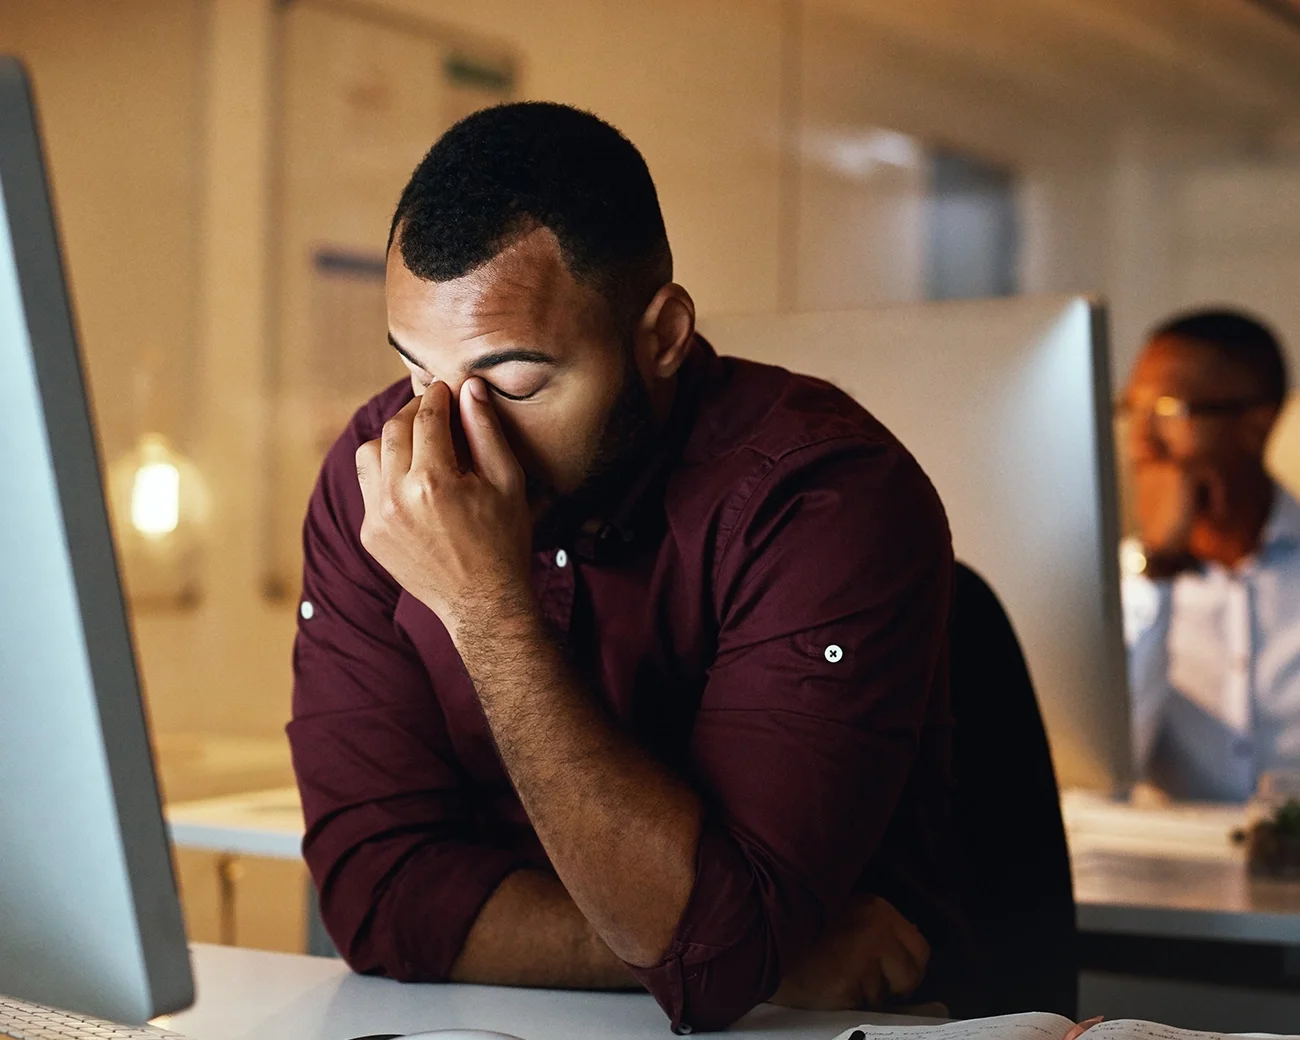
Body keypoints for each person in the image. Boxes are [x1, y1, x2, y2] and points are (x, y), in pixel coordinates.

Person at [288, 102, 972, 1032]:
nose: (446, 436)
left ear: (661, 336)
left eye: (516, 382)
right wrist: (755, 953)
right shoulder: (375, 474)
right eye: (417, 374)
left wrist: (483, 604)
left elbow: (713, 959)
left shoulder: (825, 499)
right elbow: (377, 894)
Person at [1120, 308, 1300, 802]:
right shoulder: (1123, 584)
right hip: (1168, 870)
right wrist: (1156, 567)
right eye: (1132, 410)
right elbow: (1105, 772)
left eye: (1168, 411)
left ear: (1257, 425)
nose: (1140, 442)